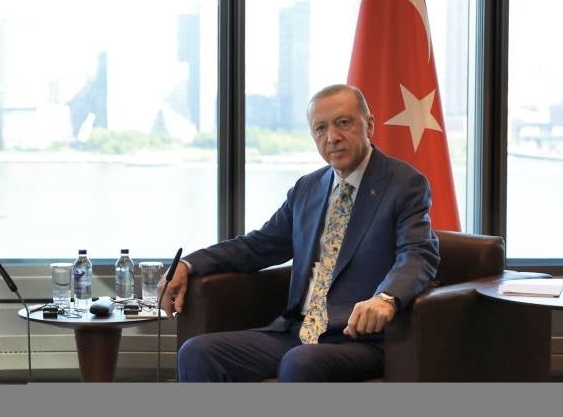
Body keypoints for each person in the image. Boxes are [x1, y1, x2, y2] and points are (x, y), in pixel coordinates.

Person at [162, 84, 440, 382]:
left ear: (369, 124)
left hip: (359, 339)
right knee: (196, 352)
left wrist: (386, 298)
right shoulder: (307, 189)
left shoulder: (403, 184)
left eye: (343, 123)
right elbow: (256, 246)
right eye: (320, 129)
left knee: (300, 363)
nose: (332, 137)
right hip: (294, 331)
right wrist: (188, 264)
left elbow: (418, 253)